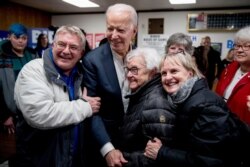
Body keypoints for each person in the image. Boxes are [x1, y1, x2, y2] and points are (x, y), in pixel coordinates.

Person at [13, 25, 101, 167]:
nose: (66, 51)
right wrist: (85, 106)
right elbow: (40, 114)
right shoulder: (33, 70)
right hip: (40, 159)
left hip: (72, 157)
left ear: (81, 53)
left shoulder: (81, 74)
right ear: (53, 45)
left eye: (73, 47)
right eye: (61, 44)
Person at [144, 51, 245, 167]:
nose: (168, 77)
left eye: (174, 71)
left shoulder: (206, 106)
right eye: (163, 73)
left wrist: (162, 152)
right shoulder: (182, 98)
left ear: (190, 74)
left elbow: (209, 161)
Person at [82, 3, 138, 167]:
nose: (113, 36)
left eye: (120, 30)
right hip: (105, 140)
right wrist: (107, 149)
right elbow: (92, 110)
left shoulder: (142, 57)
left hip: (135, 142)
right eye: (110, 28)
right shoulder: (92, 60)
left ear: (133, 31)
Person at [119, 47, 175, 167]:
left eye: (134, 70)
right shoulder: (142, 93)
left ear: (153, 71)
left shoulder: (156, 102)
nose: (128, 75)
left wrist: (122, 161)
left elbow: (156, 157)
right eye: (127, 69)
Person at [216, 26, 250, 125]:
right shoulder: (229, 69)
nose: (239, 50)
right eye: (237, 46)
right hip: (223, 125)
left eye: (246, 46)